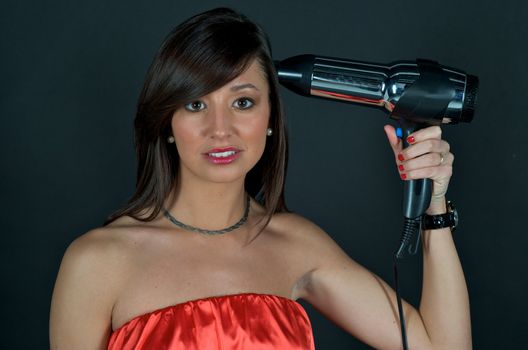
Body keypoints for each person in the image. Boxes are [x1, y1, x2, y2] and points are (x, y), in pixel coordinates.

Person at [49, 7, 471, 350]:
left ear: (270, 118)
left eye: (243, 102)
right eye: (196, 105)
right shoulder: (97, 263)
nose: (221, 128)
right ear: (167, 121)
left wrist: (434, 206)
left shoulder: (297, 245)